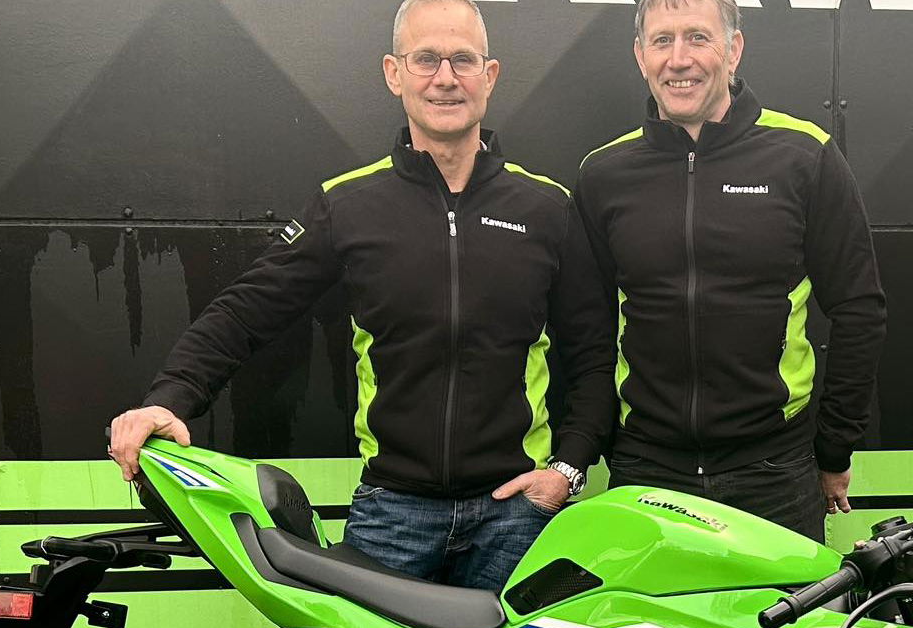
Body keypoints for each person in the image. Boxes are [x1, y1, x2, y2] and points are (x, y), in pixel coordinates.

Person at [107, 0, 614, 592]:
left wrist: (567, 471)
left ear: (490, 75)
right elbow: (245, 312)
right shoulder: (349, 204)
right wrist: (169, 398)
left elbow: (593, 354)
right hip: (392, 515)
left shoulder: (547, 208)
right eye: (426, 59)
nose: (445, 77)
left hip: (518, 515)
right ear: (394, 73)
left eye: (463, 59)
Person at [576, 0, 887, 543]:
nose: (679, 59)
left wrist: (835, 445)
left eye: (698, 37)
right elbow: (586, 328)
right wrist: (597, 441)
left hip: (775, 472)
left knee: (790, 608)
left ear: (734, 49)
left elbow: (859, 308)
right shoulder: (604, 173)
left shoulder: (804, 155)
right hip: (647, 470)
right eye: (662, 40)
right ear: (640, 56)